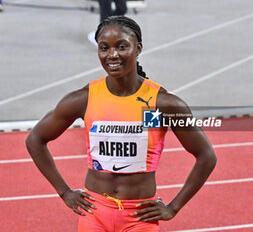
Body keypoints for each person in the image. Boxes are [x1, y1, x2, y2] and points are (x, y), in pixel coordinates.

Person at [26, 15, 217, 232]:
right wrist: (64, 192)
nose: (112, 55)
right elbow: (35, 139)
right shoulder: (83, 99)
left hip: (139, 217)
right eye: (104, 48)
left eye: (122, 46)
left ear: (138, 48)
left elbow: (206, 156)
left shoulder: (163, 104)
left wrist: (174, 207)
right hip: (94, 213)